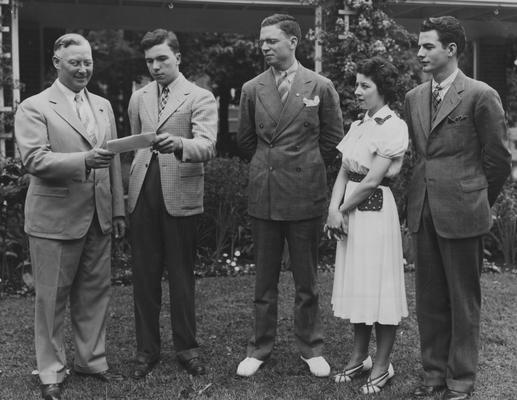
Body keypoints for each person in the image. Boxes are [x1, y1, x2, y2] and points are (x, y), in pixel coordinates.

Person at [14, 33, 126, 400]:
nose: (83, 69)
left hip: (99, 216)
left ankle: (91, 361)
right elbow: (34, 160)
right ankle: (50, 371)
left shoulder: (104, 105)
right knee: (52, 299)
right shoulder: (35, 106)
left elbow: (112, 160)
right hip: (55, 219)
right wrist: (83, 160)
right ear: (56, 63)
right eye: (75, 62)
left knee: (95, 293)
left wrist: (119, 210)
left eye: (88, 62)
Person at [405, 16, 511, 400]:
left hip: (464, 211)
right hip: (424, 209)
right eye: (419, 46)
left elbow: (498, 160)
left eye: (428, 46)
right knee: (429, 297)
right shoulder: (414, 97)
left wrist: (476, 198)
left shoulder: (481, 94)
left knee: (463, 300)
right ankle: (433, 374)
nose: (420, 53)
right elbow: (421, 156)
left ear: (451, 49)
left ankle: (460, 381)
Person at [236, 13, 344, 378]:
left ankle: (311, 347)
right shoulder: (252, 88)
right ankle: (259, 347)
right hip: (264, 194)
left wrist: (304, 164)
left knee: (306, 281)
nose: (264, 47)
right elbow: (245, 141)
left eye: (271, 40)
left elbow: (332, 140)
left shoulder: (321, 86)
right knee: (263, 280)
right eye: (262, 41)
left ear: (293, 42)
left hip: (304, 193)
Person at [127, 29, 217, 379]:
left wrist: (179, 144)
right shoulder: (139, 97)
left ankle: (187, 348)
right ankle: (146, 350)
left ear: (178, 57)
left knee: (181, 277)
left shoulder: (200, 96)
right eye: (149, 61)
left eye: (162, 58)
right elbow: (137, 144)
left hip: (180, 194)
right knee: (144, 277)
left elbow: (207, 146)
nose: (155, 66)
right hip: (142, 195)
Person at [326, 57, 409, 395]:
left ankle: (382, 363)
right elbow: (345, 171)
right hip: (351, 212)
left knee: (380, 288)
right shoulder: (359, 124)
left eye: (365, 86)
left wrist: (341, 209)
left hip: (374, 213)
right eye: (357, 84)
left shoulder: (393, 125)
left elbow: (373, 179)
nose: (357, 91)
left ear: (382, 89)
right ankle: (360, 356)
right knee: (359, 284)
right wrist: (334, 209)